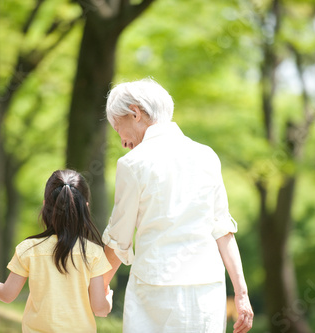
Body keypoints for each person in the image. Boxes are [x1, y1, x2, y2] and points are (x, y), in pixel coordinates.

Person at [101, 78, 254, 333]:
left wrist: (97, 287)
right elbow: (222, 230)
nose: (123, 142)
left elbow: (119, 240)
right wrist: (241, 294)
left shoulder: (133, 164)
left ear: (135, 113)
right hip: (207, 293)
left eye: (119, 128)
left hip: (155, 294)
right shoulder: (207, 156)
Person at [0, 169, 113, 332]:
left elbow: (7, 294)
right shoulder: (93, 253)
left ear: (44, 206)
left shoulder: (29, 249)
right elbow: (100, 309)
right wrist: (108, 299)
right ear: (85, 207)